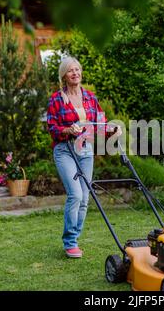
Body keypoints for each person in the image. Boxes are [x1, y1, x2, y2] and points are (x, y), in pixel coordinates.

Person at [46, 56, 121, 258]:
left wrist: (112, 130)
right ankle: (69, 241)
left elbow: (100, 125)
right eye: (71, 70)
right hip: (65, 150)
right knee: (76, 195)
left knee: (85, 197)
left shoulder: (90, 97)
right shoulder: (56, 99)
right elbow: (52, 128)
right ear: (64, 74)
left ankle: (74, 239)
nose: (75, 73)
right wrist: (68, 130)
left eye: (77, 69)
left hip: (85, 150)